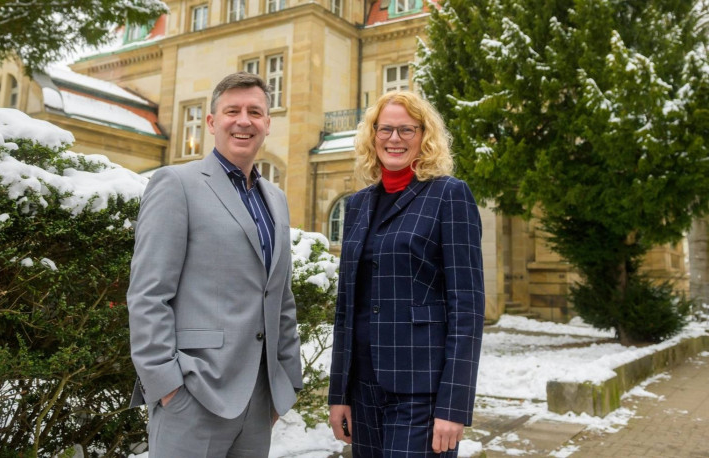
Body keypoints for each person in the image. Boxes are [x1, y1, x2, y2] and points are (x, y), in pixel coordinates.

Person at [127, 72, 303, 457]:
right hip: (194, 395)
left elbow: (280, 296)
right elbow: (148, 293)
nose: (244, 120)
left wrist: (286, 382)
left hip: (259, 401)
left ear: (268, 124)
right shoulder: (176, 184)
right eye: (232, 111)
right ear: (211, 122)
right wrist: (167, 386)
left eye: (255, 112)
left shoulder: (275, 198)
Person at [328, 91, 485, 457]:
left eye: (406, 130)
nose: (394, 139)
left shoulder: (449, 195)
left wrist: (453, 406)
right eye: (385, 129)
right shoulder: (357, 204)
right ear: (372, 136)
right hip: (363, 390)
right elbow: (345, 308)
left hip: (422, 393)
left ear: (424, 135)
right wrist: (339, 394)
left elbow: (467, 307)